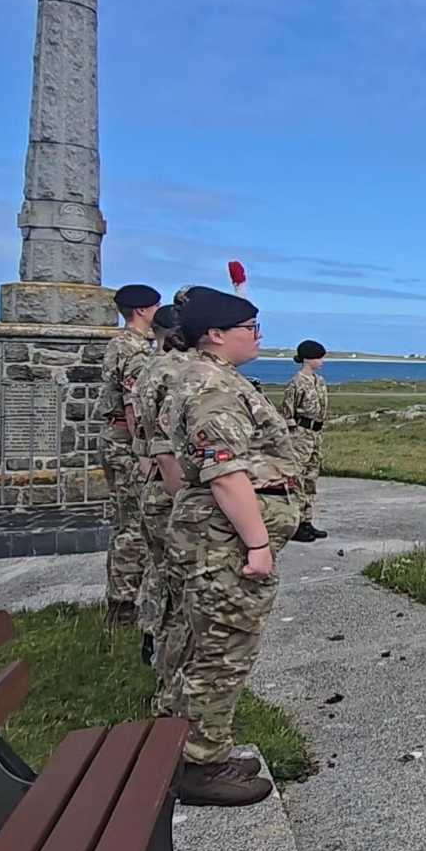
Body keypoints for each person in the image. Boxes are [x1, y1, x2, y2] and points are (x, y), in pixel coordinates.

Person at [160, 290, 304, 806]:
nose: (258, 337)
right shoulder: (212, 387)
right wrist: (257, 544)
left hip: (215, 538)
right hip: (225, 544)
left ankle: (192, 746)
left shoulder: (208, 376)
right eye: (250, 328)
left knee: (201, 643)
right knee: (223, 649)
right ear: (216, 334)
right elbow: (225, 474)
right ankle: (202, 766)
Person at [99, 284, 164, 629]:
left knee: (125, 519)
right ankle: (123, 605)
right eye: (155, 307)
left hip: (115, 436)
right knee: (133, 523)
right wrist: (146, 449)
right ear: (141, 311)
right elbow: (134, 405)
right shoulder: (136, 351)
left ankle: (121, 598)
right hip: (127, 440)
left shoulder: (119, 343)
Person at [130, 304, 186, 665]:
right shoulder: (178, 370)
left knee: (158, 564)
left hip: (151, 475)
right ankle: (168, 645)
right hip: (171, 476)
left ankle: (150, 632)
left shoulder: (151, 365)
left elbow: (138, 420)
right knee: (175, 568)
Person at [280, 341, 330, 542]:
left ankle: (307, 520)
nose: (322, 361)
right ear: (308, 359)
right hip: (300, 434)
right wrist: (293, 436)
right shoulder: (296, 383)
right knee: (297, 478)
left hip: (316, 434)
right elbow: (287, 411)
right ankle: (296, 523)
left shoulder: (320, 381)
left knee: (311, 477)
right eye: (319, 357)